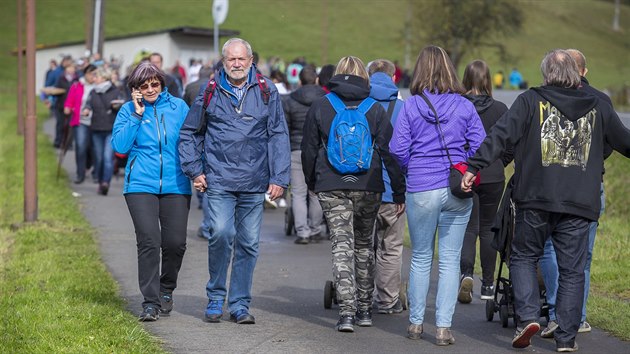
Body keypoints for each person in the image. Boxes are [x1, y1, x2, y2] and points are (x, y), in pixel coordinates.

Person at [461, 49, 630, 352]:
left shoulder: (530, 100)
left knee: (524, 256)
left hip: (534, 197)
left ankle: (527, 316)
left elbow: (500, 135)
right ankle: (566, 337)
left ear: (547, 74)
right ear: (577, 75)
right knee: (573, 270)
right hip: (579, 203)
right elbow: (624, 141)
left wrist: (474, 166)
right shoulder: (598, 105)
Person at [178, 38, 290, 325]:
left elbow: (278, 134)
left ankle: (240, 303)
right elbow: (190, 132)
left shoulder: (267, 91)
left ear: (251, 61)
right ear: (223, 61)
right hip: (219, 179)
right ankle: (216, 296)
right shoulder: (210, 89)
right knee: (220, 233)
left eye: (242, 59)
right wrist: (194, 170)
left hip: (255, 181)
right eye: (231, 60)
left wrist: (279, 177)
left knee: (249, 243)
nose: (237, 64)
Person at [389, 45, 485, 346]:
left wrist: (411, 169)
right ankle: (443, 327)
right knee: (450, 260)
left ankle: (416, 324)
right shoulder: (465, 106)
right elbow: (481, 144)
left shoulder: (412, 106)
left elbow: (397, 149)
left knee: (420, 257)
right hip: (457, 188)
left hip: (421, 186)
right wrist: (465, 166)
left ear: (419, 70)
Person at [301, 56, 406, 333]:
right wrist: (398, 192)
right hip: (368, 185)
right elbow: (389, 153)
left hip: (331, 184)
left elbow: (309, 149)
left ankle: (345, 312)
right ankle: (364, 309)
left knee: (341, 245)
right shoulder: (374, 109)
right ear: (364, 76)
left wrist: (313, 181)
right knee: (363, 245)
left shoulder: (322, 105)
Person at [539, 48, 615, 339]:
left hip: (551, 186)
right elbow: (610, 143)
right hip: (590, 185)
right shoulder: (601, 101)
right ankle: (577, 317)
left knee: (549, 250)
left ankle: (558, 313)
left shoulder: (546, 98)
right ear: (585, 70)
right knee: (582, 257)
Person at [111, 61, 192, 321]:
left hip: (176, 184)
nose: (149, 89)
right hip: (140, 185)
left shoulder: (179, 107)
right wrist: (136, 114)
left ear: (162, 83)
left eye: (154, 83)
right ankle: (150, 301)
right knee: (148, 241)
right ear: (134, 88)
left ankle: (166, 288)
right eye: (143, 85)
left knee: (175, 243)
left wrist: (198, 172)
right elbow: (120, 148)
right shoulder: (127, 111)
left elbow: (191, 142)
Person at [458, 60, 509, 303]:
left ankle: (465, 274)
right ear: (488, 80)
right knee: (488, 228)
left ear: (465, 79)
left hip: (464, 172)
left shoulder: (457, 105)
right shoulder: (500, 109)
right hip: (493, 174)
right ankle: (488, 285)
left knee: (469, 227)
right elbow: (511, 143)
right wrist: (499, 162)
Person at [366, 59, 406, 314]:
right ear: (393, 79)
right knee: (391, 247)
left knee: (362, 244)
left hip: (363, 187)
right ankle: (387, 300)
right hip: (393, 190)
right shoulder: (404, 108)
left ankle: (360, 295)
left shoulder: (359, 106)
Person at [282, 65, 326, 244]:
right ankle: (316, 228)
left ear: (299, 81)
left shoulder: (290, 100)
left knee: (298, 193)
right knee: (316, 191)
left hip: (296, 149)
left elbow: (285, 127)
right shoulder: (326, 100)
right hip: (318, 150)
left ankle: (302, 232)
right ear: (316, 80)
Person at [83, 67, 124, 195]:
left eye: (96, 76)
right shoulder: (93, 92)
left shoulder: (115, 91)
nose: (94, 79)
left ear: (103, 78)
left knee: (107, 158)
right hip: (96, 129)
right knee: (99, 158)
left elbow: (123, 105)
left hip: (110, 129)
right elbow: (88, 105)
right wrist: (86, 110)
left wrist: (117, 105)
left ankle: (105, 182)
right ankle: (101, 181)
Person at [63, 64, 97, 184]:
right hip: (81, 121)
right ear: (85, 74)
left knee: (95, 149)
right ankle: (80, 174)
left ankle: (96, 173)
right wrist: (67, 107)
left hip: (97, 121)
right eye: (90, 73)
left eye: (95, 73)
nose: (93, 76)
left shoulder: (99, 86)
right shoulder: (77, 85)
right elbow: (69, 100)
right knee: (81, 147)